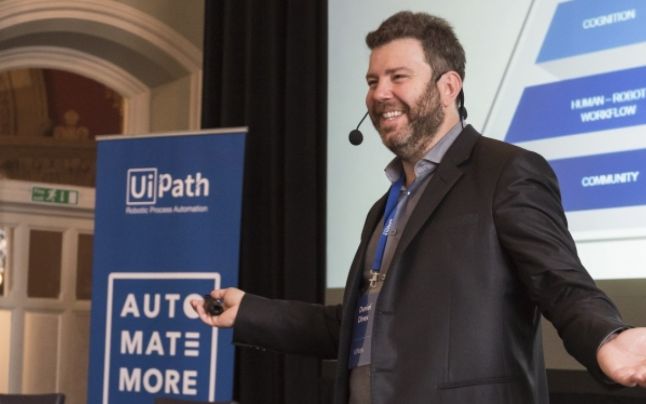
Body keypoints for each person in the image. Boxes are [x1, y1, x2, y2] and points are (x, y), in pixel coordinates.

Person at [192, 11, 646, 404]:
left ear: (448, 86)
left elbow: (560, 283)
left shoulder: (505, 171)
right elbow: (354, 324)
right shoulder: (383, 208)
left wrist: (608, 337)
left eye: (398, 77)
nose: (379, 94)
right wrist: (249, 311)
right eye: (373, 81)